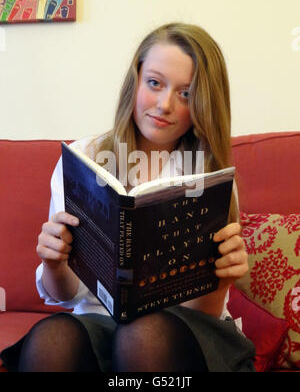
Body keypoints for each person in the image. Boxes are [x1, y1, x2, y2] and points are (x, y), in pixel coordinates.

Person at [1, 23, 256, 372]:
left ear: (203, 102)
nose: (164, 105)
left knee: (143, 334)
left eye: (185, 93)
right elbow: (64, 295)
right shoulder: (84, 157)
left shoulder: (208, 172)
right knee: (52, 340)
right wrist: (54, 262)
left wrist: (219, 279)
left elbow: (205, 311)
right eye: (154, 83)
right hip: (99, 325)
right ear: (134, 81)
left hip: (186, 332)